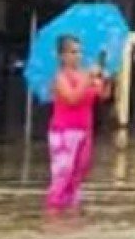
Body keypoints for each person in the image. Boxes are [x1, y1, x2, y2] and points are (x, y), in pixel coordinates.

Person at [45, 35, 110, 216]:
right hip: (64, 133)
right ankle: (53, 215)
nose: (78, 55)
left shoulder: (83, 75)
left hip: (84, 131)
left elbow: (102, 95)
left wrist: (105, 79)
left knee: (79, 174)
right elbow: (72, 98)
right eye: (73, 51)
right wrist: (87, 78)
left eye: (79, 51)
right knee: (62, 175)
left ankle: (72, 213)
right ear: (62, 55)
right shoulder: (60, 78)